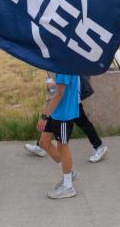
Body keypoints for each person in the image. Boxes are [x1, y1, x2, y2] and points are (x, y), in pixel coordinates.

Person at [23, 75, 108, 163]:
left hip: (70, 100)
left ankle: (99, 147)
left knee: (82, 123)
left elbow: (63, 87)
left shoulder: (67, 65)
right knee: (54, 119)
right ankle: (41, 145)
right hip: (66, 99)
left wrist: (54, 85)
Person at [37, 71, 81, 199]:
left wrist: (44, 116)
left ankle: (68, 187)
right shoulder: (62, 62)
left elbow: (60, 93)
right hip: (56, 112)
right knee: (44, 142)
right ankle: (69, 173)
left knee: (62, 146)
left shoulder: (64, 64)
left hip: (64, 114)